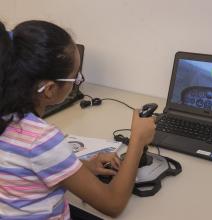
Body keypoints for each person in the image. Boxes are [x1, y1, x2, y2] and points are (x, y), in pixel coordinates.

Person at [0, 20, 156, 220]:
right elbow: (113, 204)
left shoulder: (7, 117)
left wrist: (81, 167)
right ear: (49, 90)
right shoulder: (41, 140)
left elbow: (24, 170)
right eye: (75, 77)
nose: (77, 82)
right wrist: (137, 140)